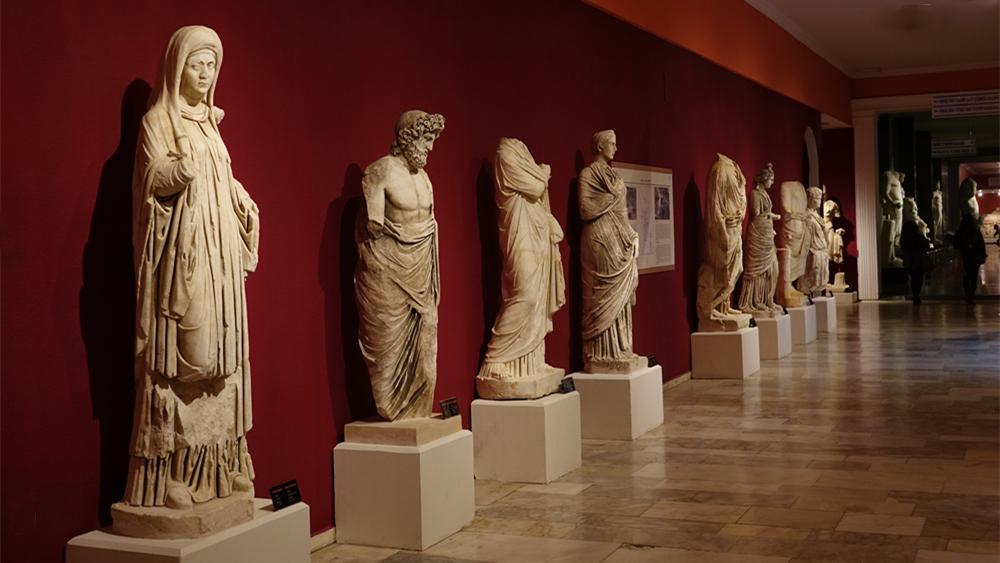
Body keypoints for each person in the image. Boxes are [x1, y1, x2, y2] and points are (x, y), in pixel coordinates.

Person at [126, 26, 259, 510]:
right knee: (190, 360)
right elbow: (150, 181)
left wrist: (237, 194)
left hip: (220, 254)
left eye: (211, 65)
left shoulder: (209, 123)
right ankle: (172, 476)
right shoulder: (158, 121)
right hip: (186, 257)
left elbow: (218, 175)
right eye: (195, 64)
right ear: (176, 68)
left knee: (224, 358)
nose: (204, 74)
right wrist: (175, 172)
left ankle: (223, 466)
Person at [355, 110, 445, 420]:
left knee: (426, 348)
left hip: (420, 273)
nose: (430, 147)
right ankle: (392, 409)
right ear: (408, 137)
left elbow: (429, 227)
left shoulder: (425, 179)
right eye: (427, 139)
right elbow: (372, 228)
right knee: (387, 351)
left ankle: (418, 411)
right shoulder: (379, 172)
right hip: (387, 275)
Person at [477, 139, 565, 393]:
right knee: (525, 295)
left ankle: (532, 362)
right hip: (519, 233)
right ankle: (495, 359)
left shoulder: (521, 158)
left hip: (537, 232)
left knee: (538, 298)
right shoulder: (505, 155)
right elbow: (536, 188)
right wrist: (544, 173)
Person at [578, 130, 643, 373]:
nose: (615, 148)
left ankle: (621, 348)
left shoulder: (615, 176)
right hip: (598, 239)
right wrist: (612, 197)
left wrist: (632, 235)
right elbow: (585, 209)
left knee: (621, 294)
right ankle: (600, 353)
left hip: (618, 239)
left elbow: (622, 212)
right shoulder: (587, 175)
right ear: (600, 146)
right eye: (612, 144)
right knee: (602, 294)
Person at [738, 163, 782, 317]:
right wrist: (772, 216)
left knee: (773, 270)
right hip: (757, 236)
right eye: (771, 179)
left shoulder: (764, 194)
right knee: (757, 272)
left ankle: (768, 300)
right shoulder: (754, 195)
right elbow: (756, 215)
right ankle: (755, 302)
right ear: (763, 179)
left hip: (767, 236)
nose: (772, 182)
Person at [953, 213, 987, 304]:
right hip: (975, 257)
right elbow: (981, 245)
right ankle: (971, 297)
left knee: (966, 277)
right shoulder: (976, 232)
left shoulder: (960, 232)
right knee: (973, 277)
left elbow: (955, 245)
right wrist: (983, 255)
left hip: (964, 257)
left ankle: (967, 296)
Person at [900, 220, 929, 304]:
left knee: (913, 279)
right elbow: (926, 246)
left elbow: (903, 249)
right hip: (918, 260)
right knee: (919, 279)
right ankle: (916, 294)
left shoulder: (904, 239)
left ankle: (915, 294)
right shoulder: (919, 237)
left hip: (908, 261)